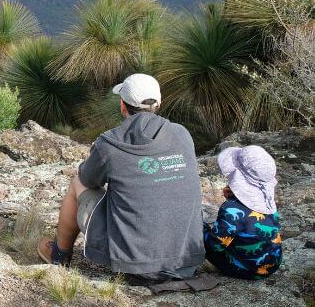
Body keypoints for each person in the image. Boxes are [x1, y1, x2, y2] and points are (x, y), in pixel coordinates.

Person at [37, 73, 205, 283]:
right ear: (159, 104)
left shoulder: (110, 143)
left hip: (136, 267)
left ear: (123, 106)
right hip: (186, 262)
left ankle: (59, 256)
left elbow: (88, 179)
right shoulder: (182, 134)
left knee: (76, 183)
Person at [203, 145, 282, 279]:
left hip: (247, 270)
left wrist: (203, 229)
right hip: (273, 265)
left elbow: (215, 247)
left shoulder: (230, 209)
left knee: (201, 229)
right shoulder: (269, 203)